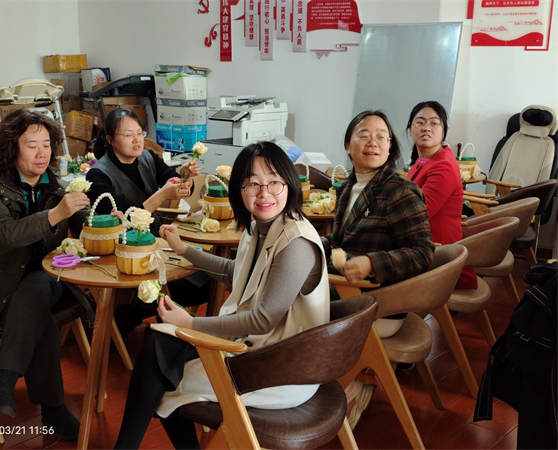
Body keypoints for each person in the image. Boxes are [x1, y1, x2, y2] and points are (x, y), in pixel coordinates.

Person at [113, 141, 330, 449]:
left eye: (274, 182)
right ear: (239, 190)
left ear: (289, 184)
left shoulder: (296, 243)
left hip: (281, 369)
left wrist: (190, 323)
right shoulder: (260, 227)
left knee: (161, 370)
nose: (264, 193)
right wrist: (184, 250)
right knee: (159, 347)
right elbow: (236, 272)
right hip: (256, 349)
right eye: (253, 184)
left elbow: (262, 320)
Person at [0, 109, 90, 440]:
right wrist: (55, 214)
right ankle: (53, 410)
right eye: (31, 145)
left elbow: (86, 225)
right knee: (39, 315)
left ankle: (5, 378)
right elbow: (3, 232)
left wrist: (104, 220)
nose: (41, 153)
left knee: (37, 285)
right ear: (12, 148)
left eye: (46, 144)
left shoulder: (57, 185)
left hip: (50, 282)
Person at [322, 110, 435, 428]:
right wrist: (311, 241)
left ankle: (349, 387)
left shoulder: (399, 190)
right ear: (348, 145)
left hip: (379, 304)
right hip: (346, 293)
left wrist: (372, 263)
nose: (373, 142)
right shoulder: (348, 186)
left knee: (288, 309)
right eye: (364, 135)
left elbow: (423, 253)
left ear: (390, 147)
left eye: (381, 137)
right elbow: (340, 242)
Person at [86, 107, 204, 336]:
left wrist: (185, 177)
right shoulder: (97, 175)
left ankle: (141, 313)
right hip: (124, 249)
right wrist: (160, 195)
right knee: (182, 281)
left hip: (154, 238)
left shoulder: (148, 158)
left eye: (139, 133)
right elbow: (118, 224)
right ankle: (151, 322)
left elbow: (175, 182)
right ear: (110, 140)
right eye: (128, 135)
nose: (137, 140)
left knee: (201, 275)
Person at [406, 100, 477, 288]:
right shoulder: (424, 160)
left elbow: (417, 215)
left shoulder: (443, 166)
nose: (426, 128)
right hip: (422, 247)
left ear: (443, 131)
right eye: (420, 122)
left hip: (439, 258)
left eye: (434, 123)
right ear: (410, 129)